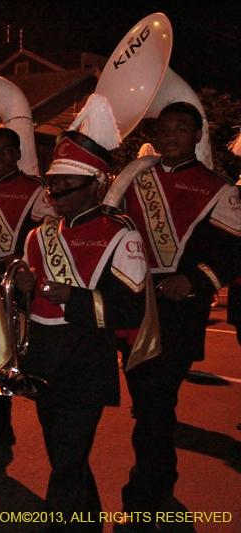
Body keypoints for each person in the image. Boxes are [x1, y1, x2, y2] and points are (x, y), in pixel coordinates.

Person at [115, 102, 241, 531]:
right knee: (146, 402)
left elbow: (232, 251)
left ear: (196, 135)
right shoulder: (135, 178)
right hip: (133, 303)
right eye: (165, 129)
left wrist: (195, 281)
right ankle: (155, 480)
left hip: (178, 309)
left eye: (180, 129)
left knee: (156, 404)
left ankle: (148, 492)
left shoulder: (218, 187)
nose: (171, 136)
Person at [15, 130, 148, 533]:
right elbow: (27, 304)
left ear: (96, 186)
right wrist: (21, 289)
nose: (56, 193)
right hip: (42, 354)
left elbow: (132, 308)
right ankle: (87, 521)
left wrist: (73, 298)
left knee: (69, 457)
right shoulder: (39, 235)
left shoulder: (121, 233)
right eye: (54, 186)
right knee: (61, 453)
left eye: (67, 187)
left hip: (86, 356)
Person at [0, 128, 55, 472]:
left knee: (1, 361)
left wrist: (20, 268)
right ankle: (1, 428)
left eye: (5, 150)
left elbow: (44, 239)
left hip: (11, 285)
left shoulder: (35, 189)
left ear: (17, 153)